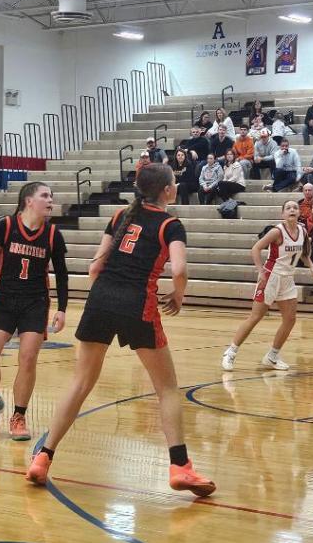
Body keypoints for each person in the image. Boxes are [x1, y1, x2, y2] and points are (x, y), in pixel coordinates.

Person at [26, 163, 214, 497]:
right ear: (168, 190)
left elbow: (95, 266)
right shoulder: (171, 225)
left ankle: (43, 456)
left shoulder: (119, 216)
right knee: (167, 389)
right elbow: (180, 268)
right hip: (137, 302)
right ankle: (180, 467)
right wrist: (178, 294)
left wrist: (104, 298)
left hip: (100, 298)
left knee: (80, 382)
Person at [0, 181, 68, 441]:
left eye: (51, 196)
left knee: (27, 358)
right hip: (4, 300)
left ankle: (19, 416)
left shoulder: (52, 234)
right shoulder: (5, 226)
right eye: (45, 195)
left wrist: (62, 308)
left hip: (35, 302)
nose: (50, 200)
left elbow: (61, 274)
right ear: (29, 200)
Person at [221, 199, 313, 373]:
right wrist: (261, 271)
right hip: (271, 277)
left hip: (288, 279)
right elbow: (256, 248)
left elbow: (304, 253)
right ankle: (230, 352)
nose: (292, 210)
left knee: (290, 319)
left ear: (300, 213)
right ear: (283, 214)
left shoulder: (303, 231)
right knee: (255, 317)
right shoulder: (277, 231)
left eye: (295, 208)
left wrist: (311, 266)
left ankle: (272, 356)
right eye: (288, 208)